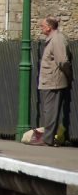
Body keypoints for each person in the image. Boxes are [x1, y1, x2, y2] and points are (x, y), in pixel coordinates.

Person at [30, 16, 73, 146]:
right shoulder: (53, 39)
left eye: (42, 26)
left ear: (49, 27)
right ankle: (47, 137)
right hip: (49, 81)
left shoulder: (57, 39)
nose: (41, 28)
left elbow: (62, 61)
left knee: (50, 111)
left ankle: (47, 139)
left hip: (54, 81)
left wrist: (68, 75)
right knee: (48, 110)